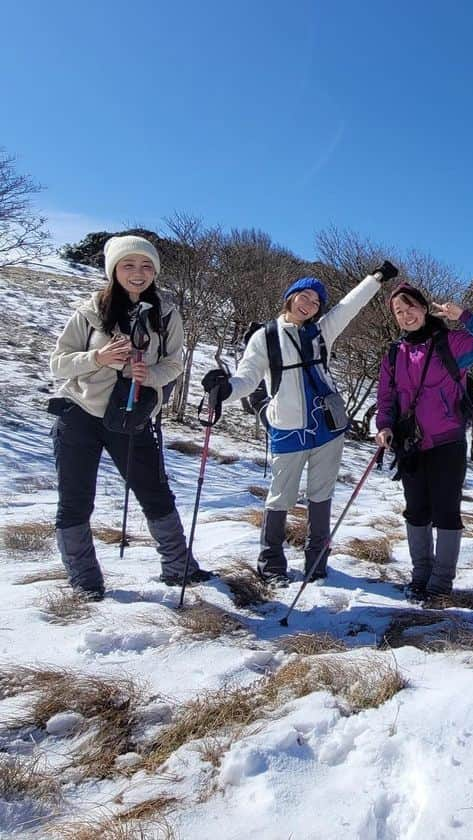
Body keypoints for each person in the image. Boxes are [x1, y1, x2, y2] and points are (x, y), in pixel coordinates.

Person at [201, 262, 397, 584]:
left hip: (328, 428)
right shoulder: (265, 337)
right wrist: (225, 391)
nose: (309, 304)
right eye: (304, 297)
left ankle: (317, 564)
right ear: (290, 297)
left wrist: (375, 279)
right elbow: (248, 378)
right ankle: (272, 565)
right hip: (288, 429)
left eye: (316, 302)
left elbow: (349, 306)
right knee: (280, 497)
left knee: (321, 495)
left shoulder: (321, 332)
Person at [49, 235, 210, 599]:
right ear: (113, 270)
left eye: (146, 266)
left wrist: (149, 376)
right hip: (80, 414)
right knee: (75, 500)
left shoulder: (166, 315)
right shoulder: (90, 312)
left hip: (131, 416)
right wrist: (98, 358)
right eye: (129, 265)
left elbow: (173, 364)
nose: (138, 273)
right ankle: (85, 581)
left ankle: (178, 567)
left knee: (155, 494)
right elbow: (57, 363)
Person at [376, 282, 473, 601]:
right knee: (416, 511)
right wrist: (385, 426)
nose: (406, 316)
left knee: (446, 511)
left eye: (410, 308)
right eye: (399, 312)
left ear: (423, 307)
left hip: (447, 442)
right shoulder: (393, 353)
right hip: (410, 445)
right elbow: (387, 397)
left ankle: (441, 582)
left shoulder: (451, 343)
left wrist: (464, 316)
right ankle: (421, 575)